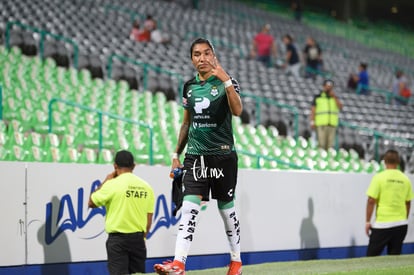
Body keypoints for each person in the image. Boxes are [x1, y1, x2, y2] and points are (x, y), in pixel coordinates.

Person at [153, 38, 243, 275]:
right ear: (191, 58)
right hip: (195, 156)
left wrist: (225, 81)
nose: (201, 59)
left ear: (213, 55)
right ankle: (179, 263)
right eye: (196, 54)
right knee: (189, 208)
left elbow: (238, 111)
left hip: (223, 157)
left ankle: (236, 261)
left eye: (206, 53)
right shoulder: (188, 87)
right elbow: (186, 124)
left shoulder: (227, 81)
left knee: (226, 210)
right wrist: (176, 154)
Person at [88, 150, 155, 275]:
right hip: (138, 239)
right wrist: (142, 238)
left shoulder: (112, 185)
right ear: (134, 166)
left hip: (118, 240)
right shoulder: (146, 187)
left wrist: (105, 181)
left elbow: (91, 202)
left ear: (115, 166)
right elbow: (148, 219)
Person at [365, 149, 412, 256]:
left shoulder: (379, 178)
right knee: (394, 259)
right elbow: (408, 202)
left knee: (370, 258)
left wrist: (367, 221)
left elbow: (371, 200)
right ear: (398, 162)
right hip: (401, 224)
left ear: (384, 161)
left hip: (382, 224)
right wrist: (404, 218)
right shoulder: (405, 179)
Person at [310, 79, 343, 150]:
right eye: (327, 86)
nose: (328, 88)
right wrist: (312, 121)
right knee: (321, 145)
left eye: (330, 87)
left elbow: (340, 107)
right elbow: (313, 110)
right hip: (321, 124)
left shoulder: (334, 98)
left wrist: (334, 97)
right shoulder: (318, 97)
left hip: (332, 125)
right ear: (324, 86)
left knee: (330, 147)